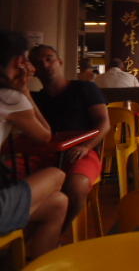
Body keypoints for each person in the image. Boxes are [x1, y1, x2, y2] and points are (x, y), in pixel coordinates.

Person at [0, 31, 68, 259]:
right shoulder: (9, 98)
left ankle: (29, 260)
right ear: (19, 62)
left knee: (58, 203)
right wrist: (25, 91)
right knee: (57, 174)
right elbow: (46, 136)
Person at [28, 44, 110, 230]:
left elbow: (104, 123)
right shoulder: (36, 98)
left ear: (60, 61)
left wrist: (86, 147)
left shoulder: (85, 88)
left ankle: (58, 231)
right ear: (33, 71)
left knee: (77, 185)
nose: (45, 64)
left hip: (82, 148)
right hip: (47, 151)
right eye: (39, 63)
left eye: (49, 59)